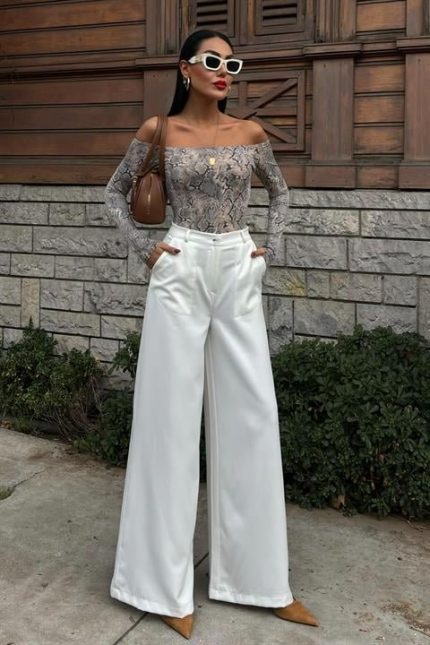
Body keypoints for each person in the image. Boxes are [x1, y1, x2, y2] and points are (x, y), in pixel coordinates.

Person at [105, 28, 319, 640]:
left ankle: (261, 582)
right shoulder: (159, 130)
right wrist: (148, 251)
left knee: (253, 417)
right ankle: (157, 586)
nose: (225, 71)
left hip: (237, 266)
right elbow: (113, 195)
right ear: (186, 68)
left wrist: (267, 250)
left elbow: (280, 194)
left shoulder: (249, 133)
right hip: (181, 265)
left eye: (232, 64)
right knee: (167, 421)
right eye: (213, 61)